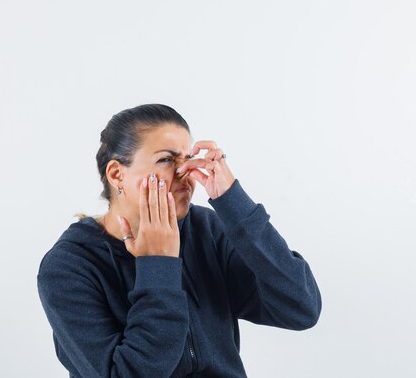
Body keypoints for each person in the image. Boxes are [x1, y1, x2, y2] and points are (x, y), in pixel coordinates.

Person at [37, 103, 322, 378]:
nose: (184, 173)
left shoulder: (206, 229)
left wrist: (234, 204)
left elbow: (301, 307)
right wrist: (158, 266)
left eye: (187, 160)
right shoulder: (67, 267)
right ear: (116, 174)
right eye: (166, 159)